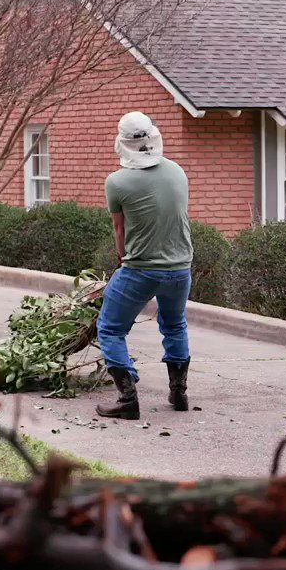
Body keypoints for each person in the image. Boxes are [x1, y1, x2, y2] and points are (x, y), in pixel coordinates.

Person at [94, 111, 194, 421]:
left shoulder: (117, 182)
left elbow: (119, 231)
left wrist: (122, 259)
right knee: (174, 324)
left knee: (109, 328)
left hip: (140, 269)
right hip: (180, 268)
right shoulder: (177, 171)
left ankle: (127, 398)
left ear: (121, 144)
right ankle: (178, 392)